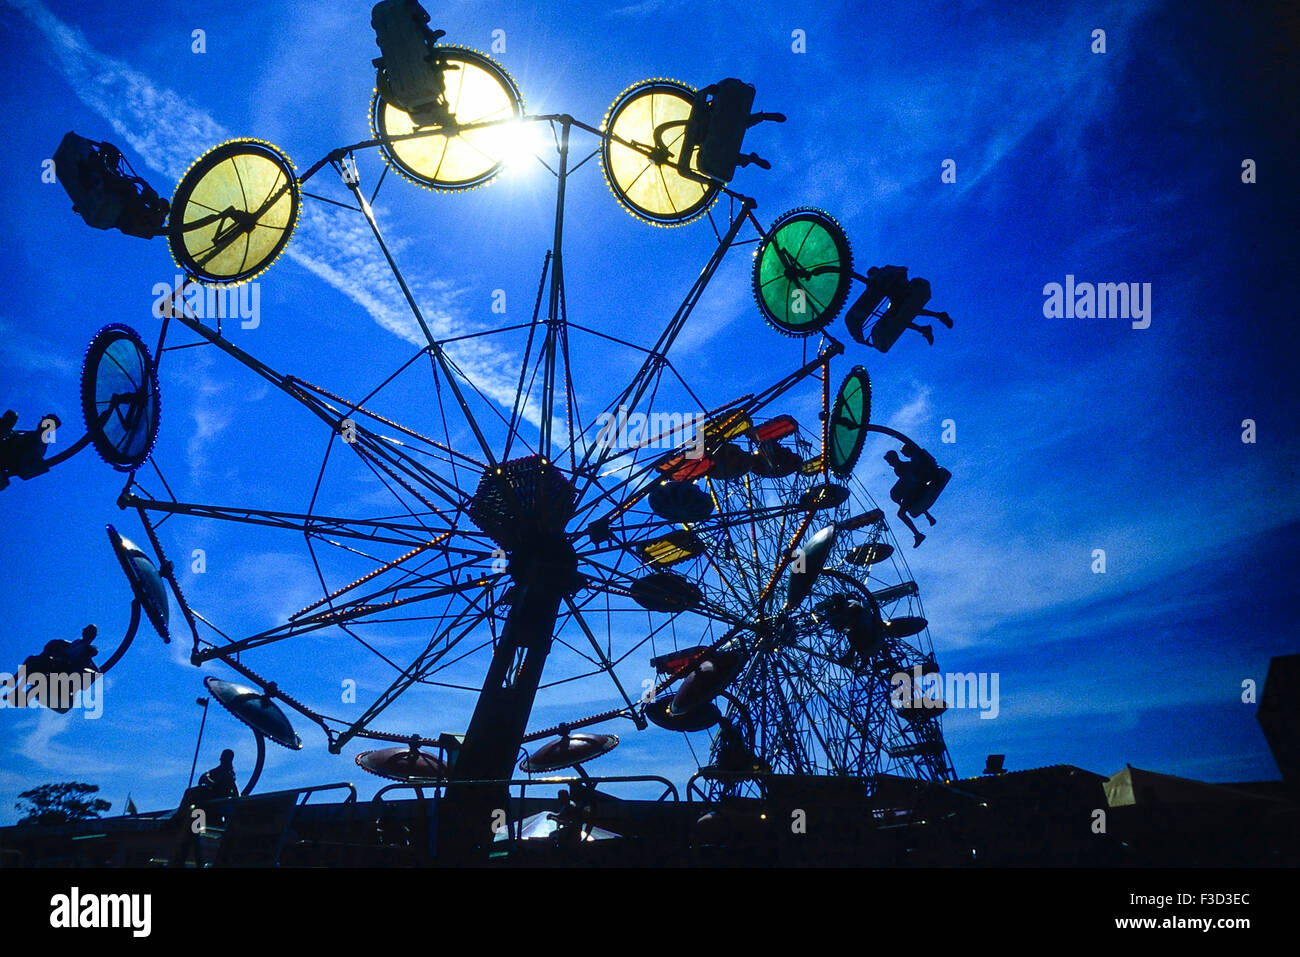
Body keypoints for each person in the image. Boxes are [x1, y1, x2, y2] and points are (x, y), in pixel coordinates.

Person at [171, 750, 239, 866]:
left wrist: (210, 781)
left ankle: (182, 820)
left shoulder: (228, 774)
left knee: (195, 801)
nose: (222, 759)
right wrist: (207, 778)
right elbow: (205, 777)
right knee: (190, 794)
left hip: (214, 805)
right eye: (222, 757)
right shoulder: (218, 771)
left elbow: (221, 786)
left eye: (225, 757)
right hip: (206, 805)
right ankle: (180, 817)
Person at [864, 266, 953, 346]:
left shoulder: (885, 272)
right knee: (901, 316)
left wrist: (901, 282)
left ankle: (933, 320)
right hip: (898, 298)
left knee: (906, 310)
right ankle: (930, 323)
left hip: (905, 292)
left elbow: (903, 270)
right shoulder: (880, 278)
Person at [885, 444, 940, 547]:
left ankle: (918, 534)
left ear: (894, 459)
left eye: (889, 461)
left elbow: (912, 479)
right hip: (913, 491)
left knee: (901, 513)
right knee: (903, 502)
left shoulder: (904, 466)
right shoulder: (901, 467)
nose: (889, 464)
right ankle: (928, 517)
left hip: (917, 489)